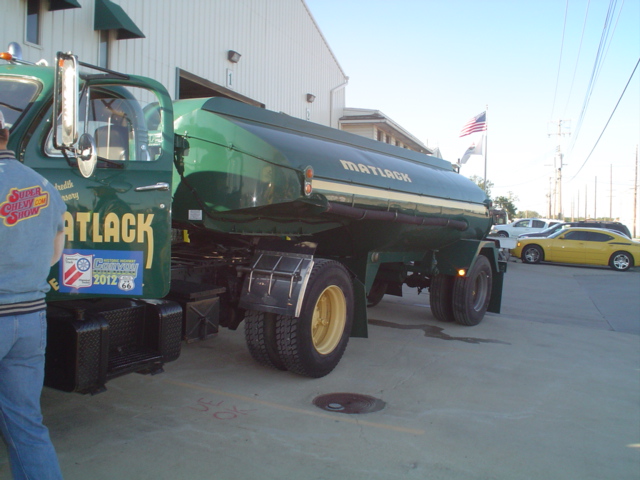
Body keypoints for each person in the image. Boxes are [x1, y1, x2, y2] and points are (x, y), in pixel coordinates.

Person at [0, 110, 66, 480]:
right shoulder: (43, 185)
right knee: (26, 425)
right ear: (6, 133)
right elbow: (55, 254)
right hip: (29, 320)